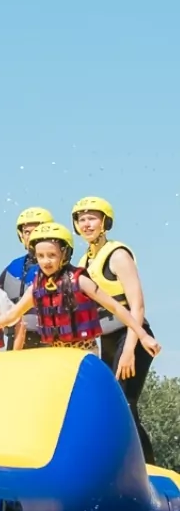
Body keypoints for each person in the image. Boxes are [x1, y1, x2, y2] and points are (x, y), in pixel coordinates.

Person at [0, 224, 159, 378]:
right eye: (40, 256)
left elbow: (115, 307)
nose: (46, 261)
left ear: (64, 254)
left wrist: (142, 335)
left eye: (52, 255)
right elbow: (12, 315)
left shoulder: (79, 280)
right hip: (56, 355)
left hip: (84, 354)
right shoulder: (37, 287)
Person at [71, 196, 157, 462]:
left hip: (130, 337)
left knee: (124, 404)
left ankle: (147, 467)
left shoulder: (118, 254)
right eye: (81, 219)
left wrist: (130, 349)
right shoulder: (84, 260)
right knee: (108, 404)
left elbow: (137, 307)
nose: (86, 224)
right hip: (107, 341)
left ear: (105, 222)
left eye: (92, 218)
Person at [0, 206, 52, 350]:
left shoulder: (59, 269)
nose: (31, 236)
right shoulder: (12, 268)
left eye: (36, 231)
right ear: (21, 235)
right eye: (27, 232)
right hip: (15, 341)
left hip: (50, 342)